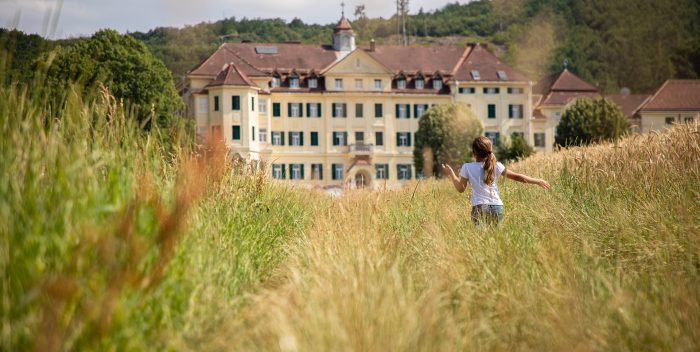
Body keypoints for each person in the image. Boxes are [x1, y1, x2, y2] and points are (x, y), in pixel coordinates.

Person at [441, 136, 550, 227]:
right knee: (495, 241)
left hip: (479, 208)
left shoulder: (467, 167)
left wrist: (451, 173)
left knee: (482, 241)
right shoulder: (496, 165)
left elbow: (461, 189)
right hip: (497, 207)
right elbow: (517, 177)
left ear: (474, 152)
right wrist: (537, 181)